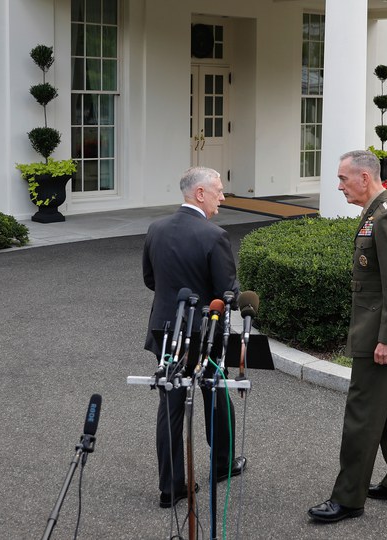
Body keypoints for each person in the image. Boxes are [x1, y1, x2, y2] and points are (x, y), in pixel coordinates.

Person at [308, 150, 387, 523]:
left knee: (362, 415)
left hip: (378, 337)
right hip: (376, 330)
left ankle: (348, 498)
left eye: (343, 179)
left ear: (364, 178)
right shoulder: (376, 213)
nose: (339, 186)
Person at [142, 166, 247, 508]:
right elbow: (227, 292)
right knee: (216, 393)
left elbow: (150, 280)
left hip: (165, 329)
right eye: (219, 190)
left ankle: (170, 487)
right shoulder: (214, 236)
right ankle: (223, 465)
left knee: (170, 403)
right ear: (200, 193)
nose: (223, 197)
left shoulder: (156, 229)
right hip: (205, 333)